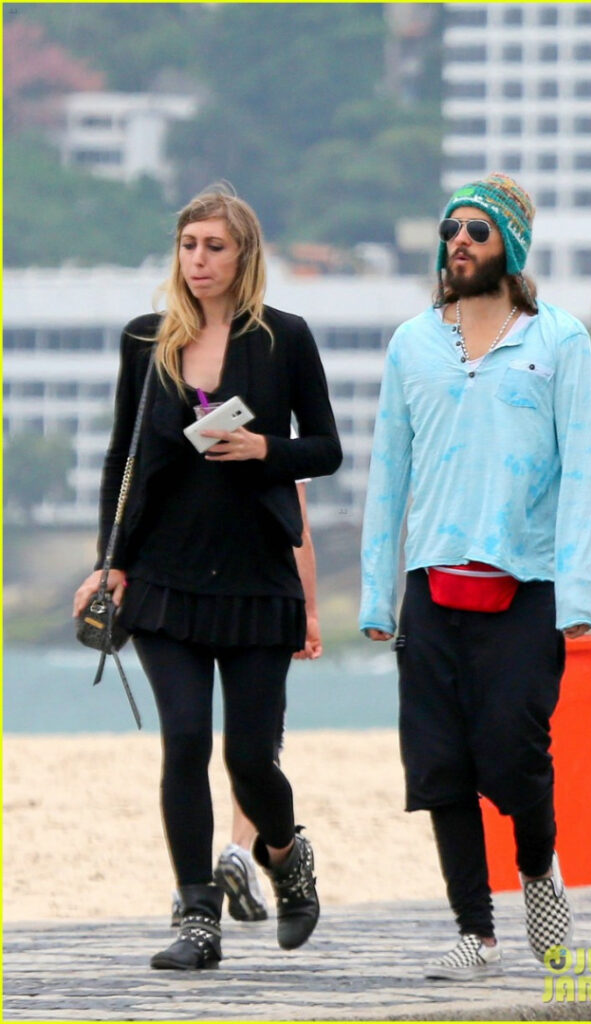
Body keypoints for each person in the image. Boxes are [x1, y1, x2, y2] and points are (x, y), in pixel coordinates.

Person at [73, 183, 342, 970]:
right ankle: (197, 917)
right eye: (189, 245)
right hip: (165, 575)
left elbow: (325, 448)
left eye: (215, 246)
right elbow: (122, 458)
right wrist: (109, 562)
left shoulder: (284, 337)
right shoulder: (145, 339)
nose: (199, 260)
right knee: (185, 739)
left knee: (250, 759)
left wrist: (265, 449)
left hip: (257, 577)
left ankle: (286, 855)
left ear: (243, 254)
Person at [359, 173, 591, 980]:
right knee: (439, 763)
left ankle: (537, 869)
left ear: (510, 248)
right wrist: (376, 593)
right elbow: (388, 472)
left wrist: (577, 591)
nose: (457, 241)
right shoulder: (410, 344)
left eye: (476, 230)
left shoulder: (559, 341)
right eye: (449, 229)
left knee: (513, 751)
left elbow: (582, 471)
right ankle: (475, 932)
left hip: (525, 583)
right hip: (431, 583)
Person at [172, 479, 322, 926]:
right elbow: (297, 529)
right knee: (255, 744)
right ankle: (238, 850)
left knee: (187, 744)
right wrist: (310, 614)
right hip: (260, 597)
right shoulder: (282, 442)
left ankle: (190, 886)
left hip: (184, 591)